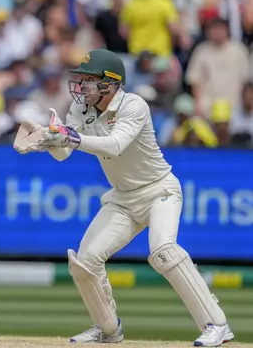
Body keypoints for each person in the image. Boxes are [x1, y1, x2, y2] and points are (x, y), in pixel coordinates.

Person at [13, 49, 233, 347]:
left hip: (160, 190)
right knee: (85, 262)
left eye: (90, 80)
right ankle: (108, 330)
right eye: (82, 79)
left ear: (111, 82)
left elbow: (115, 145)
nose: (82, 86)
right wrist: (48, 139)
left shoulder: (134, 105)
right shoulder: (81, 110)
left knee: (164, 251)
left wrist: (71, 138)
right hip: (122, 199)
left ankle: (216, 325)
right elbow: (64, 153)